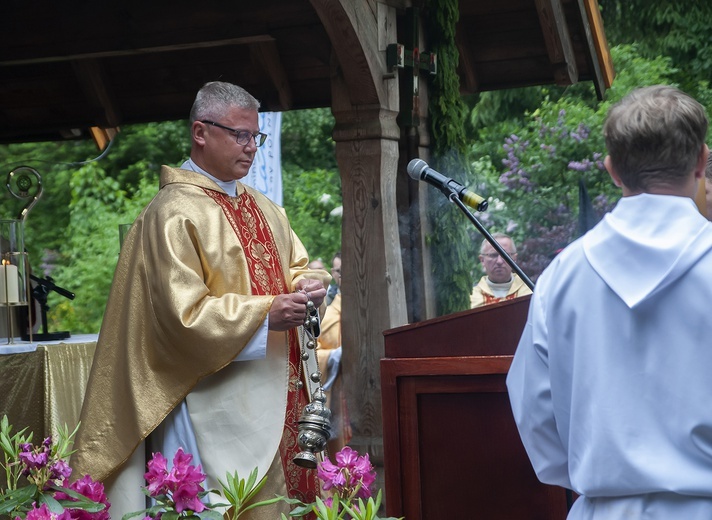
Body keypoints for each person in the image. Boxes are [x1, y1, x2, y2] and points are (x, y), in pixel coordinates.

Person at [71, 81, 330, 519]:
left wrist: (311, 286)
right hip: (211, 402)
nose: (252, 148)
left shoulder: (265, 208)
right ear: (200, 132)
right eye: (240, 135)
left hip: (279, 396)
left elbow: (298, 267)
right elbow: (181, 317)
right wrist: (268, 313)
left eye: (256, 137)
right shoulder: (173, 213)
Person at [507, 85, 712, 519]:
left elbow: (533, 408)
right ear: (701, 160)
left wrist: (600, 476)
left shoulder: (563, 275)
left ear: (612, 169)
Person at [316, 251, 351, 453]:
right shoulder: (327, 313)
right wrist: (332, 357)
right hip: (339, 396)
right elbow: (313, 353)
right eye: (338, 270)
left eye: (346, 270)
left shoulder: (374, 308)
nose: (342, 275)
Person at [470, 233, 532, 307]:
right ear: (482, 260)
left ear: (514, 259)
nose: (499, 261)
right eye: (493, 255)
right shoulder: (471, 297)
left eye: (505, 255)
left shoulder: (530, 293)